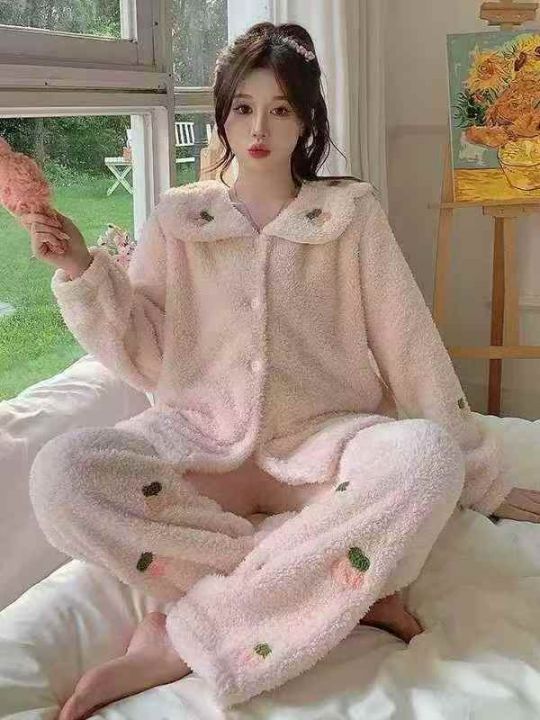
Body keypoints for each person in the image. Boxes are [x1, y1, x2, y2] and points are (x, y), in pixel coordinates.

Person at [22, 21, 539, 720]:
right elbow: (146, 353)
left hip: (319, 448)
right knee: (60, 475)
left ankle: (184, 634)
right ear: (224, 114)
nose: (259, 128)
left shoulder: (349, 215)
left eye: (280, 109)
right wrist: (81, 269)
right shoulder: (180, 218)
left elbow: (409, 345)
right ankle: (339, 582)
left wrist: (480, 475)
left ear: (306, 119)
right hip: (203, 446)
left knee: (425, 460)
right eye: (243, 108)